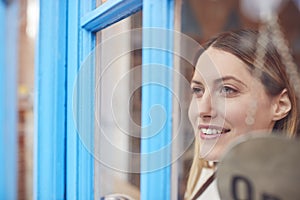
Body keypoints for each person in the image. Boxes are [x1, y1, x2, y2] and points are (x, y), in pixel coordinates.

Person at [184, 29, 299, 200]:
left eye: (227, 90)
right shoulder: (210, 178)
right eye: (198, 90)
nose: (202, 109)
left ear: (280, 105)